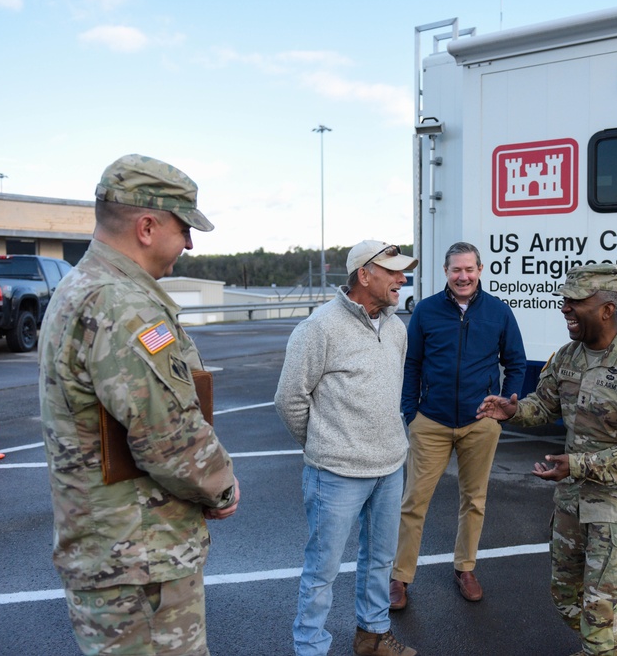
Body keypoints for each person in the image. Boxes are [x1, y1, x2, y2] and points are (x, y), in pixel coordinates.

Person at [39, 154, 240, 656]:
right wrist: (221, 487)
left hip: (112, 548)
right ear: (147, 226)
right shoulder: (122, 304)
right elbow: (169, 437)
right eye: (184, 229)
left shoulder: (82, 289)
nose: (189, 244)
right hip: (140, 560)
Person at [476, 263, 617, 656]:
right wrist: (514, 411)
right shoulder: (567, 356)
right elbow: (545, 404)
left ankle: (604, 648)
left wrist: (580, 465)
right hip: (571, 502)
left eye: (576, 302)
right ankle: (611, 646)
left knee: (601, 610)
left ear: (607, 309)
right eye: (564, 300)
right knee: (567, 598)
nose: (565, 309)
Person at [275, 241, 420, 656]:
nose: (402, 279)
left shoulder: (396, 328)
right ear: (364, 274)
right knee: (322, 571)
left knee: (380, 560)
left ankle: (373, 637)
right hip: (335, 473)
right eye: (392, 272)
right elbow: (289, 400)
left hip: (390, 468)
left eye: (402, 272)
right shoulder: (319, 327)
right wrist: (323, 443)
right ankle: (310, 648)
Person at [391, 241, 525, 608]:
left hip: (480, 423)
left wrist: (506, 405)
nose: (462, 276)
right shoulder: (426, 311)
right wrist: (410, 412)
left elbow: (516, 363)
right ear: (446, 273)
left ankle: (464, 568)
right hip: (430, 422)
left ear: (480, 270)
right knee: (414, 501)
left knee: (474, 500)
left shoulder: (498, 311)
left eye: (469, 269)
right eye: (456, 270)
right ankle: (400, 577)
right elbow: (411, 364)